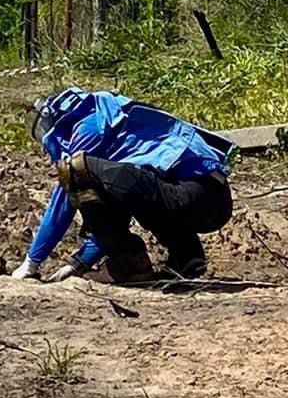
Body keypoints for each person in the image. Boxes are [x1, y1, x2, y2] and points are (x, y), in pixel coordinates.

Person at [12, 88, 234, 284]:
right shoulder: (114, 113)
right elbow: (120, 199)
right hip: (213, 200)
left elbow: (64, 199)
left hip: (192, 199)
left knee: (75, 169)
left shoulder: (90, 127)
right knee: (138, 184)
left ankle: (130, 266)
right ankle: (186, 257)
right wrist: (81, 261)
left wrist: (32, 262)